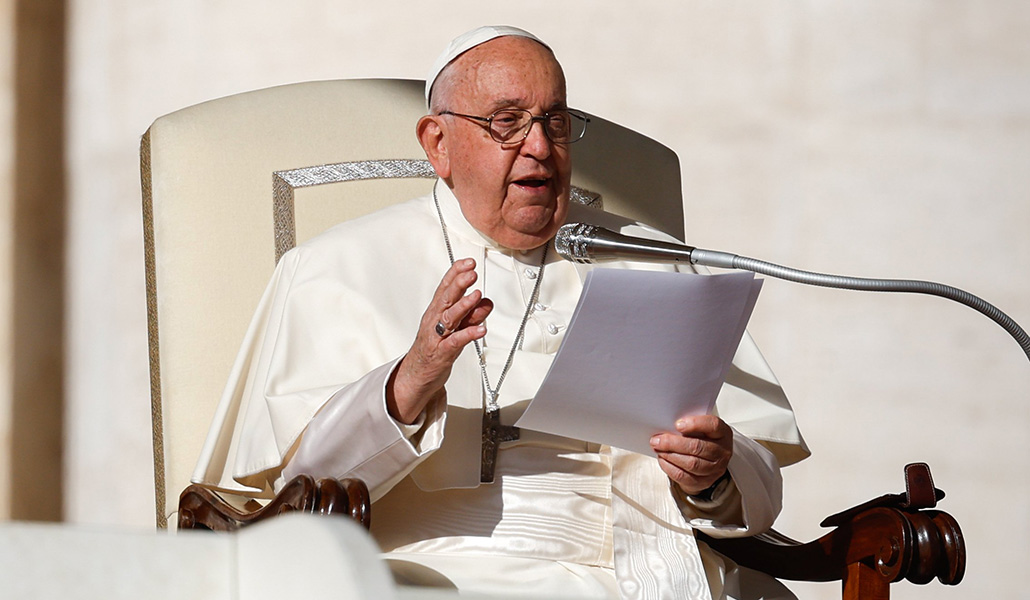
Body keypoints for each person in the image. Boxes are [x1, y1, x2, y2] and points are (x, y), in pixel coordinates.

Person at [192, 25, 809, 600]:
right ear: (439, 144)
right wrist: (409, 381)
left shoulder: (650, 261)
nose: (539, 147)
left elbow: (759, 489)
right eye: (507, 123)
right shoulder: (337, 267)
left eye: (555, 122)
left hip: (643, 572)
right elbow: (298, 494)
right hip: (439, 576)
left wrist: (714, 473)